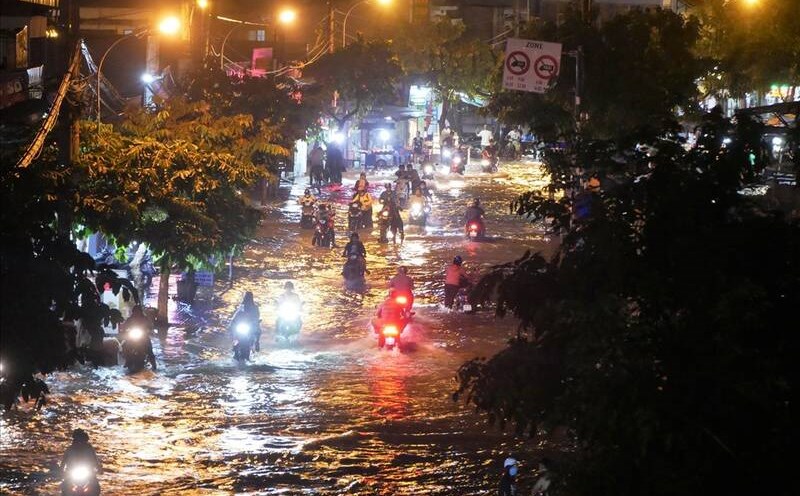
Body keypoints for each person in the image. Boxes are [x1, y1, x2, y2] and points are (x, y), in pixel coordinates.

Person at [61, 429, 101, 494]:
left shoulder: (89, 449)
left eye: (82, 440)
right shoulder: (70, 449)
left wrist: (99, 468)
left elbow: (95, 460)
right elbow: (63, 462)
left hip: (88, 473)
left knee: (95, 488)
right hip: (72, 473)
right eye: (78, 440)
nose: (80, 442)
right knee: (65, 487)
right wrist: (60, 470)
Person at [120, 305, 157, 370]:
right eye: (135, 311)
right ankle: (127, 361)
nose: (137, 313)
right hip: (132, 336)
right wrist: (123, 331)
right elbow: (124, 327)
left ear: (140, 312)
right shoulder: (130, 319)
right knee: (124, 345)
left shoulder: (145, 319)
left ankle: (154, 364)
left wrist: (149, 330)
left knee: (149, 348)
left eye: (138, 311)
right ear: (133, 312)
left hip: (143, 337)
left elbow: (150, 326)